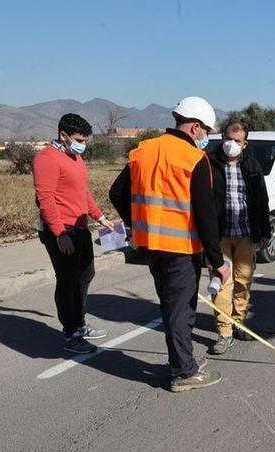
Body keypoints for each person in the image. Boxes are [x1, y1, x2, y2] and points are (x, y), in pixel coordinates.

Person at [109, 96, 229, 393]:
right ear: (195, 128)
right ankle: (184, 372)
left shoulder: (144, 150)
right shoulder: (194, 159)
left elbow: (117, 193)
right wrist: (218, 261)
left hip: (150, 245)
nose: (206, 138)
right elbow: (205, 215)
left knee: (170, 306)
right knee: (181, 310)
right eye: (206, 131)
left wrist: (137, 223)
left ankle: (183, 359)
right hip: (181, 250)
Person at [32, 113, 114, 354]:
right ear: (63, 135)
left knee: (85, 274)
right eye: (79, 139)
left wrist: (100, 217)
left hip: (79, 226)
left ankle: (79, 323)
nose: (83, 145)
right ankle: (71, 334)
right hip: (62, 230)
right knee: (68, 281)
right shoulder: (46, 159)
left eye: (86, 141)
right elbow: (45, 199)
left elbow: (82, 192)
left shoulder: (75, 157)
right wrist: (59, 233)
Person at [208, 121, 270, 355]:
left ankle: (238, 322)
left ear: (245, 144)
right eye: (227, 139)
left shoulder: (252, 165)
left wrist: (263, 232)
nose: (230, 144)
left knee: (243, 281)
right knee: (222, 284)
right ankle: (224, 332)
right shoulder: (211, 163)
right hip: (220, 235)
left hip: (245, 234)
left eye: (236, 141)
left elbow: (261, 200)